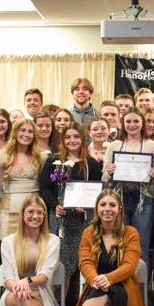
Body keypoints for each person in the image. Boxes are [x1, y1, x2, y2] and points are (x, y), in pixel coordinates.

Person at [38, 123, 103, 293]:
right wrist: (55, 205)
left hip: (83, 220)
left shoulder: (92, 164)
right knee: (61, 264)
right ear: (62, 139)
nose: (72, 140)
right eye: (68, 137)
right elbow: (44, 188)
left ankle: (78, 305)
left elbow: (97, 192)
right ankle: (58, 305)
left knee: (83, 261)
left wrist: (87, 206)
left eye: (76, 136)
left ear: (83, 138)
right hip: (60, 219)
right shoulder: (54, 160)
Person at [103, 110, 154, 263]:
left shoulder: (152, 147)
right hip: (118, 200)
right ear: (122, 123)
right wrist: (109, 172)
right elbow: (104, 180)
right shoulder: (114, 146)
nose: (132, 125)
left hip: (143, 200)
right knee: (119, 243)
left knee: (141, 244)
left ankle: (141, 286)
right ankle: (120, 282)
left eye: (136, 121)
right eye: (128, 121)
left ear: (142, 123)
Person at [0, 119, 44, 243]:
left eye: (30, 131)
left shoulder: (41, 158)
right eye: (22, 130)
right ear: (15, 132)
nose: (26, 134)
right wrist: (3, 203)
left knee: (33, 251)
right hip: (8, 211)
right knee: (8, 250)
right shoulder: (1, 158)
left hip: (33, 213)